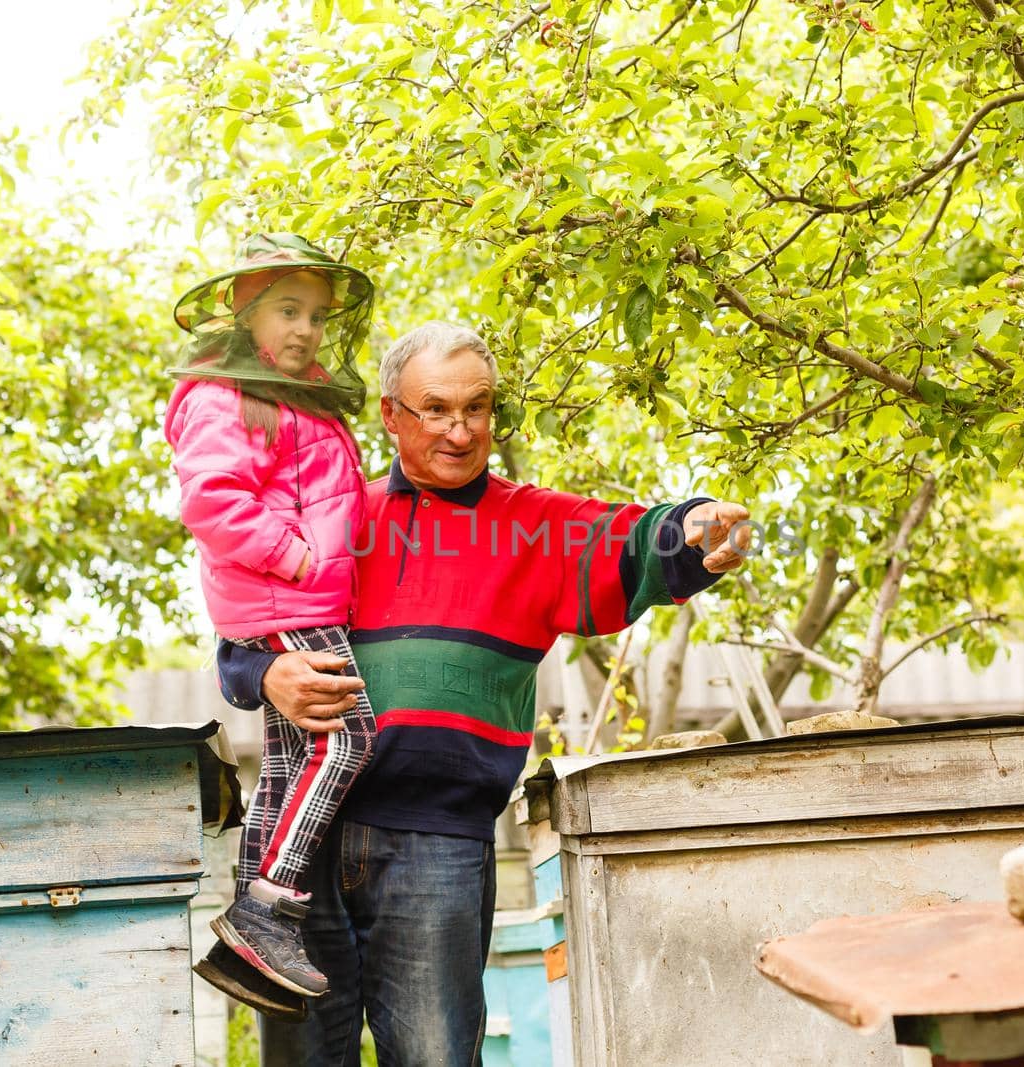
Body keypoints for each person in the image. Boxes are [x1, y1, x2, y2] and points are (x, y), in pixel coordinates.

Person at [203, 321, 753, 1065]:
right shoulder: (335, 514)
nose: (460, 430)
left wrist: (693, 525)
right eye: (435, 408)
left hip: (439, 846)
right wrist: (268, 675)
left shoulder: (534, 524)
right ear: (392, 415)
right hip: (305, 849)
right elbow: (241, 639)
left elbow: (634, 539)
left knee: (435, 1056)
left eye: (477, 407)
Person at [164, 233, 380, 1000]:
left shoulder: (303, 397)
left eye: (318, 316)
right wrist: (294, 556)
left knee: (291, 759)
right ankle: (269, 907)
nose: (305, 329)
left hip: (306, 596)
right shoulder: (224, 395)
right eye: (288, 309)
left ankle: (249, 921)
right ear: (243, 308)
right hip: (287, 599)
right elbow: (211, 499)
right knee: (350, 734)